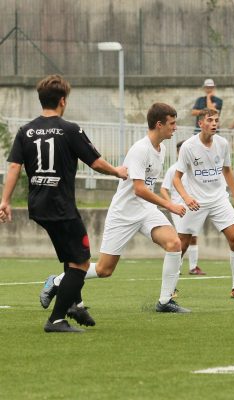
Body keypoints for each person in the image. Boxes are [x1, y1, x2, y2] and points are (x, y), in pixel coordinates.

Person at [0, 74, 128, 333]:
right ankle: (57, 319)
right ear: (62, 101)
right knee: (81, 262)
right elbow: (95, 162)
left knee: (71, 258)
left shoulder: (26, 130)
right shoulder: (70, 129)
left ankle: (75, 303)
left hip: (39, 206)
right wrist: (118, 171)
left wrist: (5, 201)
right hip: (61, 206)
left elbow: (14, 166)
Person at [39, 103, 191, 315]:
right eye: (172, 123)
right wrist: (169, 205)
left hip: (145, 210)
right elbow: (138, 189)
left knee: (174, 244)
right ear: (159, 124)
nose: (175, 128)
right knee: (104, 269)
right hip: (124, 213)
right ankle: (56, 281)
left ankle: (165, 301)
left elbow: (145, 188)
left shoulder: (162, 148)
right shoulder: (140, 149)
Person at [173, 109, 234, 299]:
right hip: (195, 201)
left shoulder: (222, 144)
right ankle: (170, 287)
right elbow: (177, 178)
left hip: (218, 199)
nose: (214, 123)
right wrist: (186, 197)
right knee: (180, 245)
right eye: (210, 120)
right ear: (201, 123)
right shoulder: (189, 147)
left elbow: (227, 171)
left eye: (216, 120)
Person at [160, 140, 205, 275]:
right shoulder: (173, 169)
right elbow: (163, 189)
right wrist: (171, 204)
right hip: (178, 209)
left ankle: (193, 267)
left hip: (193, 208)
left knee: (193, 237)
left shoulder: (195, 167)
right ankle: (175, 269)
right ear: (179, 152)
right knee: (181, 240)